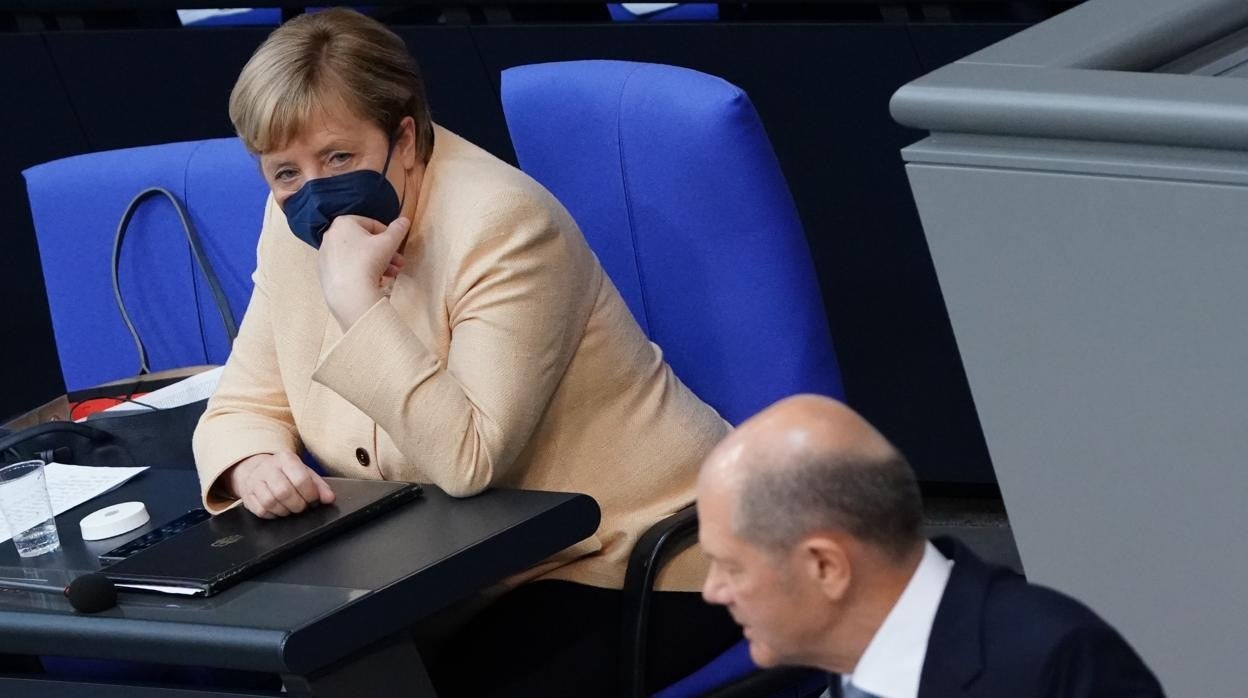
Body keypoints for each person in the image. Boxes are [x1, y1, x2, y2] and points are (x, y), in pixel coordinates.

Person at [192, 8, 737, 695]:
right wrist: (253, 462)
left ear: (407, 138)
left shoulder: (504, 224)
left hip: (636, 556)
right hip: (459, 571)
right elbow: (244, 399)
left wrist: (357, 303)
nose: (315, 194)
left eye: (339, 158)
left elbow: (470, 457)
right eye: (285, 173)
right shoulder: (292, 221)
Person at [697, 395, 1165, 698]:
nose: (713, 591)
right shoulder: (846, 662)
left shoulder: (1055, 663)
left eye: (731, 567)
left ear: (826, 567)